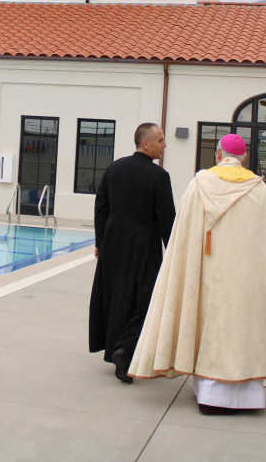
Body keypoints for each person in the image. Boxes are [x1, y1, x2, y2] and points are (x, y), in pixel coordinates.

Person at [128, 134, 266, 413]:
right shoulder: (259, 190)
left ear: (218, 154)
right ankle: (247, 397)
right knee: (243, 328)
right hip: (246, 279)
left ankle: (211, 395)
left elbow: (182, 237)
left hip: (206, 276)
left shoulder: (199, 186)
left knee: (210, 324)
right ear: (243, 159)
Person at [89, 122, 176, 383]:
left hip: (113, 241)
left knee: (115, 294)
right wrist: (172, 249)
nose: (164, 145)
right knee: (148, 297)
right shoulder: (159, 176)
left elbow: (101, 206)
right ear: (146, 143)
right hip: (142, 243)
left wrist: (100, 241)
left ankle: (117, 348)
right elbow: (166, 218)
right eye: (160, 140)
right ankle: (125, 349)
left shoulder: (113, 168)